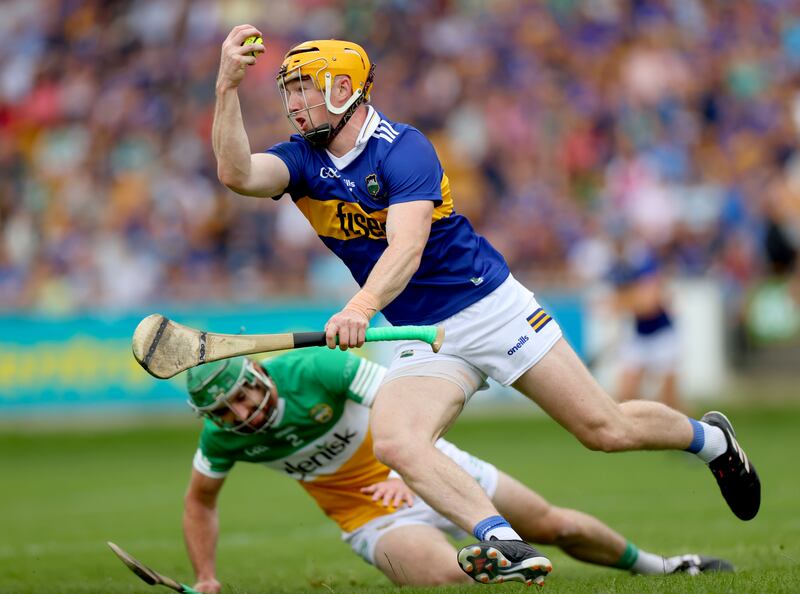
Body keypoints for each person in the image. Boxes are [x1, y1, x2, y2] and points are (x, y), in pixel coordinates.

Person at [212, 26, 760, 586]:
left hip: (491, 308)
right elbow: (237, 174)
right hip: (423, 333)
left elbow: (407, 246)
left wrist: (360, 307)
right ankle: (503, 540)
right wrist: (227, 87)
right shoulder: (303, 161)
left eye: (306, 87)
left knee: (605, 429)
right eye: (290, 90)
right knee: (398, 441)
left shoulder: (404, 149)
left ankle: (712, 439)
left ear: (343, 88)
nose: (294, 103)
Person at [182, 351, 733, 593]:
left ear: (257, 374)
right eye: (224, 412)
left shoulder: (317, 369)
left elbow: (407, 410)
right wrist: (206, 576)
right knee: (444, 578)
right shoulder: (223, 438)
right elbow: (199, 502)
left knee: (553, 526)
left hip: (429, 465)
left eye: (241, 397)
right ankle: (494, 566)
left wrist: (404, 468)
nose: (240, 414)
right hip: (369, 518)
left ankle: (661, 568)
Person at [606, 236, 683, 412]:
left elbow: (648, 305)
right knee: (625, 394)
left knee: (671, 400)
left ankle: (702, 433)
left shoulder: (644, 264)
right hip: (640, 336)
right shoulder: (617, 269)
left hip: (663, 336)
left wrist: (624, 301)